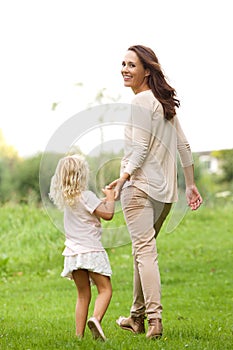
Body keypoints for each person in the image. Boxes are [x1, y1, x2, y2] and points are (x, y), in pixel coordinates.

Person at [108, 45, 203, 340]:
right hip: (164, 194)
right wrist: (189, 184)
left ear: (147, 70)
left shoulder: (140, 103)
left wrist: (122, 178)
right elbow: (184, 146)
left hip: (139, 188)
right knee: (142, 252)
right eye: (123, 64)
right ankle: (136, 318)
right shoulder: (164, 104)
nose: (125, 69)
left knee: (144, 252)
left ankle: (154, 320)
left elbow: (139, 149)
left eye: (132, 65)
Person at [49, 154, 115, 341]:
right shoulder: (86, 196)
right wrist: (110, 198)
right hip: (91, 251)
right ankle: (96, 319)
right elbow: (108, 214)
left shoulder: (69, 200)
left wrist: (104, 199)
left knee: (82, 294)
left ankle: (79, 337)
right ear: (82, 175)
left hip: (73, 254)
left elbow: (91, 208)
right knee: (105, 289)